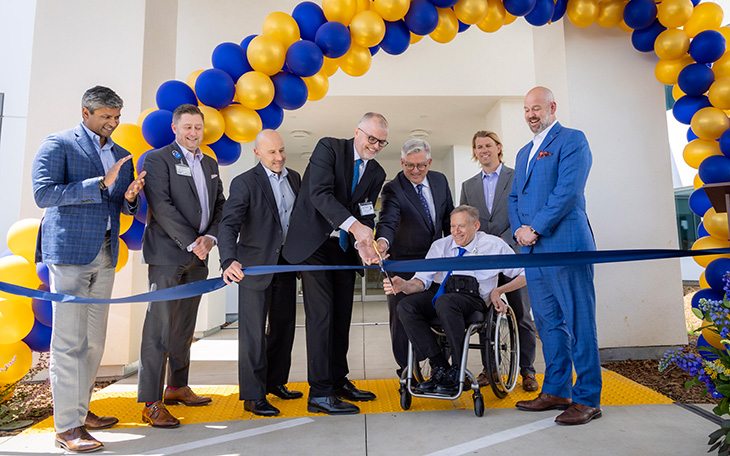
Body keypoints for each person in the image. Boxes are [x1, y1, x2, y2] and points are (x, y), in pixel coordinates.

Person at [32, 85, 145, 453]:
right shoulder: (59, 143)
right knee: (68, 343)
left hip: (105, 254)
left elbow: (119, 204)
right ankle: (67, 428)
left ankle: (80, 411)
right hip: (68, 254)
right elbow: (44, 194)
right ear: (85, 113)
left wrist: (127, 198)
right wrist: (99, 183)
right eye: (105, 117)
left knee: (94, 341)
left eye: (117, 117)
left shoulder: (122, 154)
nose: (113, 123)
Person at [508, 86, 601, 425]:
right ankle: (557, 390)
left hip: (566, 245)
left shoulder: (573, 140)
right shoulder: (522, 153)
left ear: (552, 107)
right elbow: (515, 197)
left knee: (579, 323)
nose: (532, 114)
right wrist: (520, 229)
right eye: (527, 109)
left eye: (537, 108)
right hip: (533, 251)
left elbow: (568, 191)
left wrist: (535, 227)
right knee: (547, 324)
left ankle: (588, 397)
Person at [283, 112, 387, 415]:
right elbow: (319, 194)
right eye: (372, 139)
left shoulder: (377, 171)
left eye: (382, 141)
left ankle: (338, 381)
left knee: (342, 316)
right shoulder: (328, 148)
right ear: (357, 132)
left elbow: (366, 212)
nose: (376, 145)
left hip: (343, 247)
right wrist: (356, 227)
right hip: (314, 244)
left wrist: (364, 244)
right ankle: (319, 392)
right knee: (322, 315)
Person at [138, 103, 226, 428]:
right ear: (175, 129)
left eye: (197, 128)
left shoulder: (210, 163)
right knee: (157, 329)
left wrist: (211, 239)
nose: (193, 133)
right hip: (167, 254)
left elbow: (220, 205)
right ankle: (150, 401)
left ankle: (176, 386)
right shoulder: (158, 159)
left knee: (184, 327)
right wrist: (193, 242)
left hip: (199, 256)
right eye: (187, 127)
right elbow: (161, 205)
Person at [384, 205, 526, 395]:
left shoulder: (493, 245)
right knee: (406, 306)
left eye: (461, 226)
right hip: (443, 295)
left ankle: (458, 368)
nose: (455, 232)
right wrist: (404, 285)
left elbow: (525, 273)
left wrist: (498, 291)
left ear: (476, 225)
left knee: (446, 302)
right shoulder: (440, 246)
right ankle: (442, 367)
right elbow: (421, 282)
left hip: (474, 300)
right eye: (452, 226)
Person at [219, 129, 302, 417]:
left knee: (283, 328)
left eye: (281, 150)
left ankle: (275, 382)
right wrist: (228, 259)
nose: (279, 157)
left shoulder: (294, 178)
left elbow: (296, 222)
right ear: (257, 153)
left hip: (287, 266)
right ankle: (253, 395)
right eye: (272, 152)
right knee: (253, 333)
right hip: (253, 268)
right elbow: (228, 225)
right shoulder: (244, 182)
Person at [459, 130, 538, 392]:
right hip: (483, 261)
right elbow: (465, 223)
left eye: (488, 145)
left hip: (514, 252)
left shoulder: (517, 176)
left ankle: (527, 370)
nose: (483, 150)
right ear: (475, 151)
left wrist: (501, 242)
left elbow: (525, 212)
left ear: (498, 148)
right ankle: (489, 369)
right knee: (484, 316)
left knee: (522, 314)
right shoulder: (468, 186)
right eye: (478, 146)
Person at [375, 139, 453, 379]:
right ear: (402, 162)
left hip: (437, 263)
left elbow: (448, 220)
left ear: (429, 162)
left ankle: (441, 367)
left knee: (440, 311)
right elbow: (387, 220)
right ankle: (407, 371)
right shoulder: (393, 188)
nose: (416, 171)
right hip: (404, 263)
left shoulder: (439, 180)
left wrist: (456, 253)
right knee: (402, 318)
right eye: (410, 165)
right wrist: (382, 242)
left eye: (421, 165)